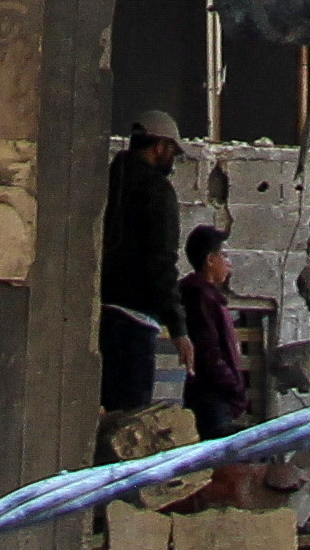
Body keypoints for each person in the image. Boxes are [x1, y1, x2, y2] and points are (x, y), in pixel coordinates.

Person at [97, 107, 186, 412]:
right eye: (172, 150)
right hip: (134, 323)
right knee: (128, 421)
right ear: (159, 146)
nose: (172, 159)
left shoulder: (109, 180)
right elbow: (161, 262)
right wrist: (179, 329)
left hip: (100, 314)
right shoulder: (156, 190)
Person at [177, 223, 253, 438]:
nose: (229, 264)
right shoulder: (200, 297)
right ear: (210, 260)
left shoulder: (209, 297)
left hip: (214, 397)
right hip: (210, 398)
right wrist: (235, 387)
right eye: (225, 256)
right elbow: (208, 354)